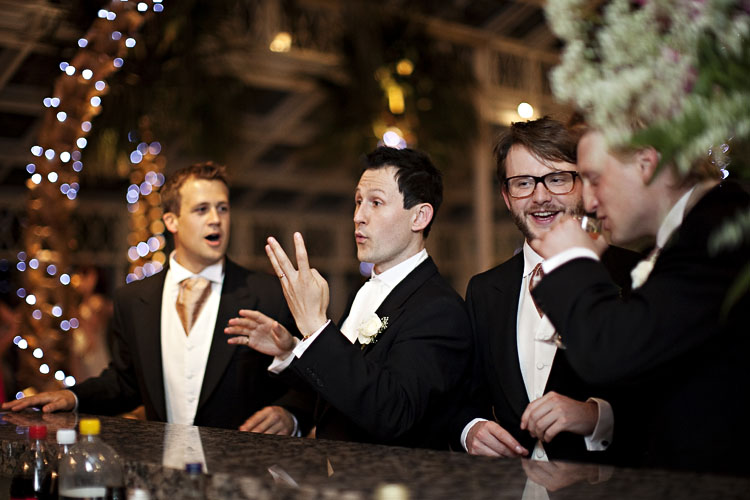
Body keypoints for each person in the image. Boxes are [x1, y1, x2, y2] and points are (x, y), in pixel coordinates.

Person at [3, 162, 304, 434]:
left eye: (222, 208)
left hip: (244, 476)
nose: (216, 220)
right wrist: (74, 396)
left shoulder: (268, 294)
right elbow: (125, 382)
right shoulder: (133, 299)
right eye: (202, 210)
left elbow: (308, 378)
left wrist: (291, 415)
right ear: (171, 221)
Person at [530, 128, 750, 473]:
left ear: (646, 163)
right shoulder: (677, 243)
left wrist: (571, 262)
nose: (587, 201)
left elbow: (611, 354)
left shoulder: (720, 231)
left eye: (594, 179)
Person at [225, 147, 473, 449]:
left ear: (419, 217)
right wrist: (291, 349)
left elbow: (393, 413)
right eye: (358, 202)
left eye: (376, 203)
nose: (358, 217)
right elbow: (343, 387)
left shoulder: (438, 308)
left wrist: (316, 326)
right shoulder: (366, 290)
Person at [452, 117, 640, 464]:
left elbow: (667, 402)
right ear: (507, 197)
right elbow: (464, 394)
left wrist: (595, 417)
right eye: (523, 183)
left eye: (556, 179)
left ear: (584, 184)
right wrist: (471, 428)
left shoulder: (635, 274)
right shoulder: (484, 290)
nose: (540, 197)